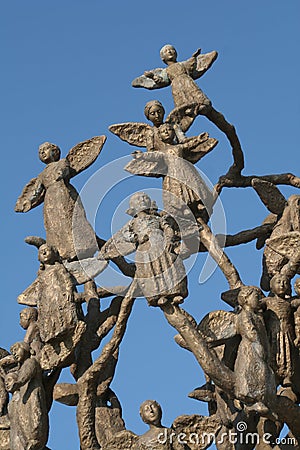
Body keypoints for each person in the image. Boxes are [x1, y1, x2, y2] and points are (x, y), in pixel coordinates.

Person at [15, 141, 100, 261]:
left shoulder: (62, 162)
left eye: (45, 149)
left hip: (63, 193)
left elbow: (65, 169)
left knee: (69, 221)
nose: (42, 152)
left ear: (54, 152)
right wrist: (28, 201)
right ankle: (62, 252)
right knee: (55, 226)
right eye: (40, 152)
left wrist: (61, 173)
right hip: (50, 201)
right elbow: (37, 190)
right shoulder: (42, 174)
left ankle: (77, 248)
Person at [99, 192, 188, 307]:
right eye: (138, 199)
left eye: (145, 198)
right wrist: (137, 238)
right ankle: (158, 296)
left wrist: (169, 239)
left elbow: (167, 228)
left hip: (160, 245)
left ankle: (176, 292)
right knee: (150, 270)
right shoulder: (132, 222)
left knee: (170, 264)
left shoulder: (157, 218)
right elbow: (126, 233)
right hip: (145, 248)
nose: (142, 200)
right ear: (132, 207)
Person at [5, 342, 48, 450]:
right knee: (24, 419)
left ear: (25, 349)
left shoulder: (30, 362)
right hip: (25, 398)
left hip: (33, 394)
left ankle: (34, 439)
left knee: (35, 415)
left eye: (16, 350)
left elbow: (26, 374)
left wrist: (18, 383)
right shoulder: (21, 368)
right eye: (13, 352)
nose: (14, 354)